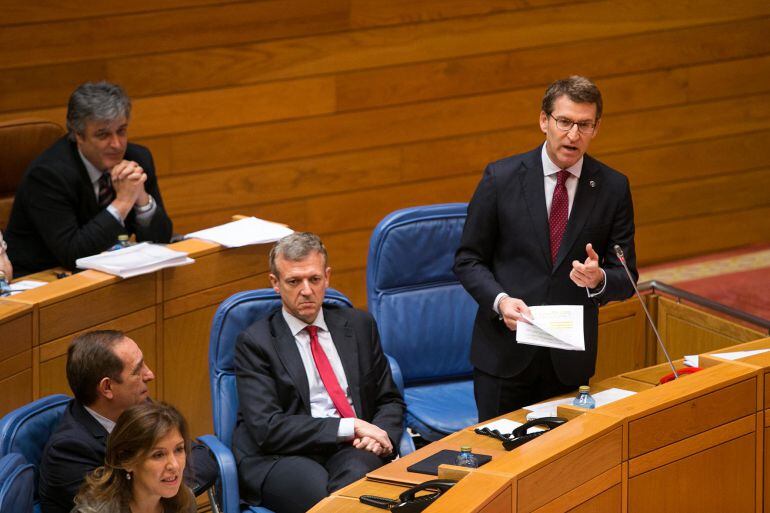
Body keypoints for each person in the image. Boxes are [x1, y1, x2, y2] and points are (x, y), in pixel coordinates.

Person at [454, 75, 638, 421]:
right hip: (505, 356)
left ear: (596, 128)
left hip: (567, 363)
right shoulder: (501, 178)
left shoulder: (612, 187)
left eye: (584, 125)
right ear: (544, 121)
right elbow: (468, 260)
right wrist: (501, 301)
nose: (573, 134)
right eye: (565, 122)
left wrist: (599, 279)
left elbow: (627, 277)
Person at [233, 232, 405, 513]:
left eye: (314, 279)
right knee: (327, 502)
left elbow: (389, 400)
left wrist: (379, 435)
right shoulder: (255, 342)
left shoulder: (359, 325)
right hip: (282, 455)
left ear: (327, 277)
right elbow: (268, 428)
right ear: (275, 283)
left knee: (353, 490)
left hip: (352, 448)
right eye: (293, 281)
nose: (306, 290)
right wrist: (352, 426)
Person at [4, 81, 173, 276]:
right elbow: (73, 255)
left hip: (104, 273)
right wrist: (124, 201)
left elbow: (161, 240)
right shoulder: (48, 175)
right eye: (103, 135)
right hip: (42, 280)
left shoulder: (137, 159)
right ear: (78, 136)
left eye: (121, 131)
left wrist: (142, 199)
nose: (117, 144)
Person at [38, 330, 217, 513]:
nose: (150, 375)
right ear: (107, 387)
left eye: (177, 450)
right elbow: (117, 505)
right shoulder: (68, 450)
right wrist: (165, 481)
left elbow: (204, 460)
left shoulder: (138, 407)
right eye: (138, 370)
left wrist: (161, 478)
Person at [72, 401, 195, 513]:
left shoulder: (184, 502)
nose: (174, 465)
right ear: (126, 461)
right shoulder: (95, 511)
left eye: (179, 449)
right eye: (158, 455)